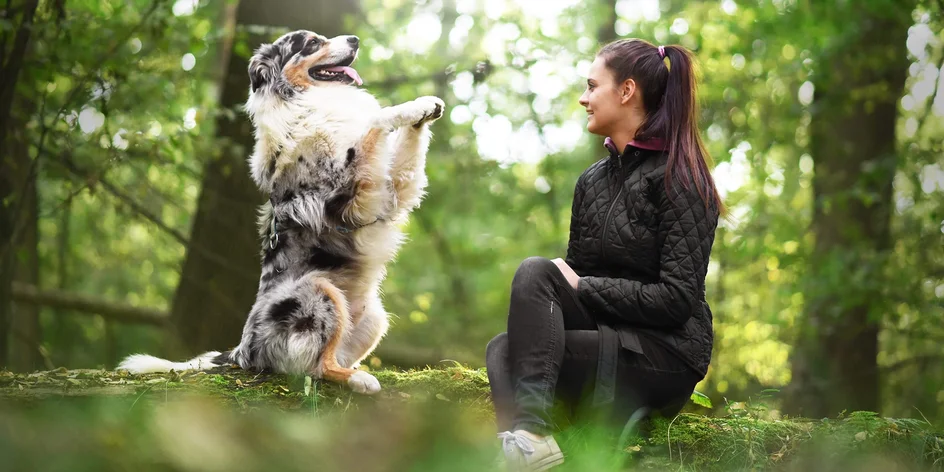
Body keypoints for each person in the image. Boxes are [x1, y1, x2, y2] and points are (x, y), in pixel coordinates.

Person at [485, 38, 724, 471]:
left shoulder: (682, 178)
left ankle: (531, 440)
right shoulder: (592, 181)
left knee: (533, 295)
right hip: (607, 335)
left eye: (592, 86)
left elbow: (676, 300)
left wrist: (582, 286)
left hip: (664, 355)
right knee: (507, 340)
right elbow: (577, 281)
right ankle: (531, 446)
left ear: (627, 90)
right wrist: (571, 282)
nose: (584, 98)